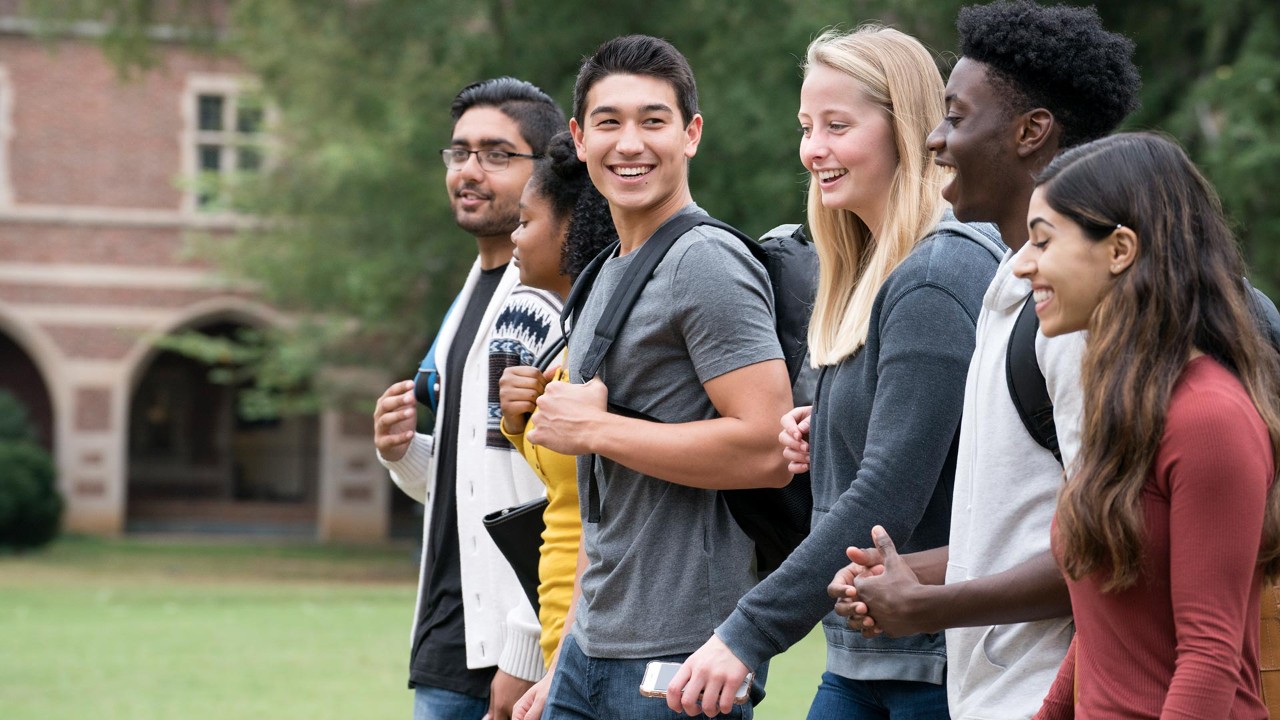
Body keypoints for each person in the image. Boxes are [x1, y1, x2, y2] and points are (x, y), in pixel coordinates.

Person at [670, 26, 1001, 719]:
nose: (812, 149)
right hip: (865, 656)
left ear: (905, 130)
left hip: (938, 668)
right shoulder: (869, 275)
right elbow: (920, 435)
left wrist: (747, 630)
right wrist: (829, 430)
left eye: (837, 126)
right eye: (806, 127)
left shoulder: (938, 275)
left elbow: (889, 490)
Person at [825, 4, 1141, 718]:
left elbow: (1112, 547)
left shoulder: (1080, 316)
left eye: (957, 118)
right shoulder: (1010, 285)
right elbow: (1033, 529)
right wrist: (917, 573)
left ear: (1031, 132)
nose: (935, 139)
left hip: (1058, 695)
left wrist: (930, 603)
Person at [514, 34, 794, 720]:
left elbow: (767, 450)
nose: (629, 143)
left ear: (691, 134)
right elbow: (601, 495)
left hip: (678, 660)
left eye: (653, 120)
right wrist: (568, 653)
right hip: (591, 648)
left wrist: (598, 428)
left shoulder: (706, 263)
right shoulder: (606, 271)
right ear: (579, 139)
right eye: (608, 122)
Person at [1016, 131, 1280, 718]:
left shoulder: (1208, 417)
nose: (1021, 264)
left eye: (1042, 241)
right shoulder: (1127, 405)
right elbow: (1106, 626)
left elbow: (1208, 658)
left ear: (1119, 250)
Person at [371, 77, 566, 720]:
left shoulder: (538, 300)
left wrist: (523, 647)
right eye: (459, 153)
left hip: (507, 654)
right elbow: (476, 477)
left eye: (497, 154)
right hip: (449, 637)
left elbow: (556, 488)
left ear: (547, 170)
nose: (470, 171)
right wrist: (403, 454)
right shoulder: (468, 297)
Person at [497, 130, 616, 668]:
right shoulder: (573, 338)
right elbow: (568, 484)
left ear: (570, 227)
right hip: (558, 641)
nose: (514, 238)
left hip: (593, 641)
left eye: (525, 221)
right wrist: (521, 422)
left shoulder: (611, 342)